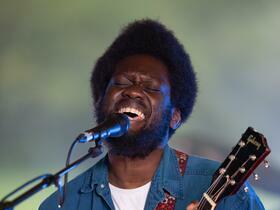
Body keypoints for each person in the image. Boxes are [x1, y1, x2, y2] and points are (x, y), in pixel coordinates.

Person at [39, 19, 264, 210]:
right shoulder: (63, 203)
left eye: (151, 87)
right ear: (100, 102)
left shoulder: (225, 191)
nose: (134, 91)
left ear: (175, 116)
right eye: (122, 83)